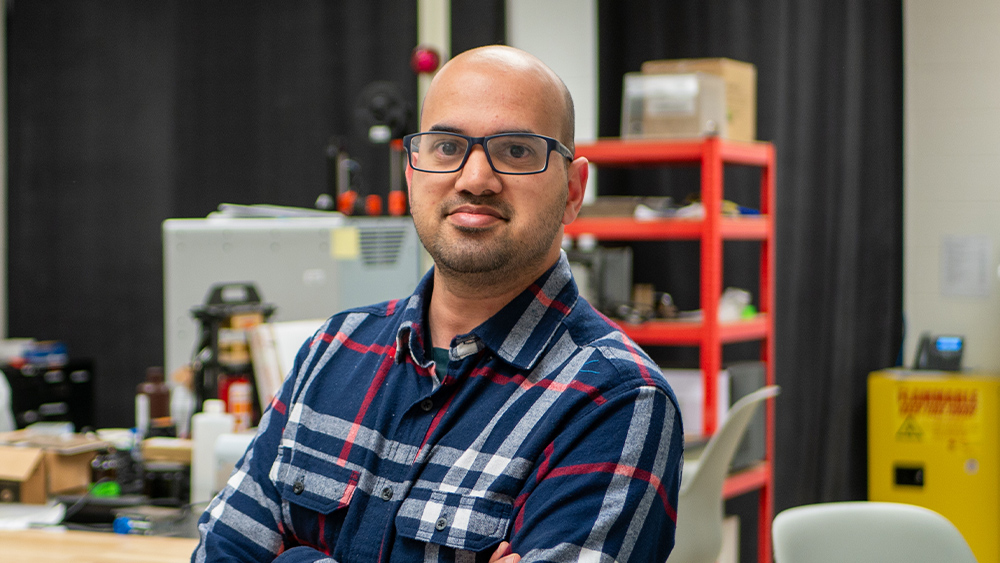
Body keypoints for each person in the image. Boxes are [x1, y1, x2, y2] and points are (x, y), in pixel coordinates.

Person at [193, 45, 683, 563]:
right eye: (447, 147)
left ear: (572, 190)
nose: (475, 179)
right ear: (412, 173)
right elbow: (218, 554)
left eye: (516, 150)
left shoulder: (617, 402)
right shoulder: (333, 349)